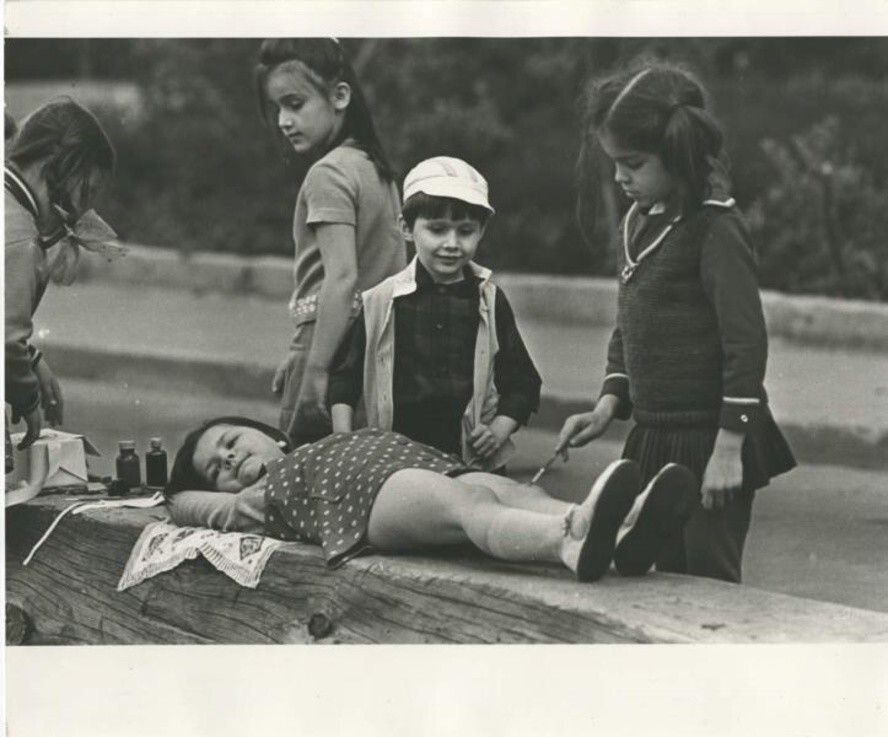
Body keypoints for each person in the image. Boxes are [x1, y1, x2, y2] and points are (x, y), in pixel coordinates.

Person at [558, 63, 796, 584]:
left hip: (709, 437)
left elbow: (745, 343)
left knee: (708, 578)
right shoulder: (638, 222)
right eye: (614, 164)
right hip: (652, 436)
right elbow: (631, 320)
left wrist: (728, 448)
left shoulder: (714, 228)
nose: (620, 178)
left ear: (680, 153)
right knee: (653, 580)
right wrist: (607, 404)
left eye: (634, 164)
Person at [165, 417, 699, 581]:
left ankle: (617, 529)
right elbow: (186, 503)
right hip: (365, 502)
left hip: (427, 468)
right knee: (470, 508)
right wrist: (174, 492)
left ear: (269, 434)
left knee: (514, 490)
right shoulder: (254, 501)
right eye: (217, 470)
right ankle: (567, 541)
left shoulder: (313, 442)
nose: (228, 461)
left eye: (230, 442)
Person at [327, 156, 542, 472]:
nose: (451, 244)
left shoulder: (489, 300)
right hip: (393, 460)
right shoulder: (380, 301)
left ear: (481, 231)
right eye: (437, 230)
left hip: (468, 459)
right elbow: (344, 378)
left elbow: (523, 381)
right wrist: (343, 441)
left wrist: (498, 431)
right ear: (406, 228)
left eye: (465, 231)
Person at [255, 38, 406, 446]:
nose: (284, 121)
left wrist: (315, 367)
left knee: (302, 472)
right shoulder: (374, 167)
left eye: (295, 104)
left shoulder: (328, 173)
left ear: (340, 96)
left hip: (330, 351)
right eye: (277, 109)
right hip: (374, 351)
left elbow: (341, 278)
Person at [5, 98, 118, 455]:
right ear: (55, 166)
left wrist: (31, 359)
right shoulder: (20, 238)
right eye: (85, 192)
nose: (83, 210)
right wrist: (26, 398)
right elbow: (4, 339)